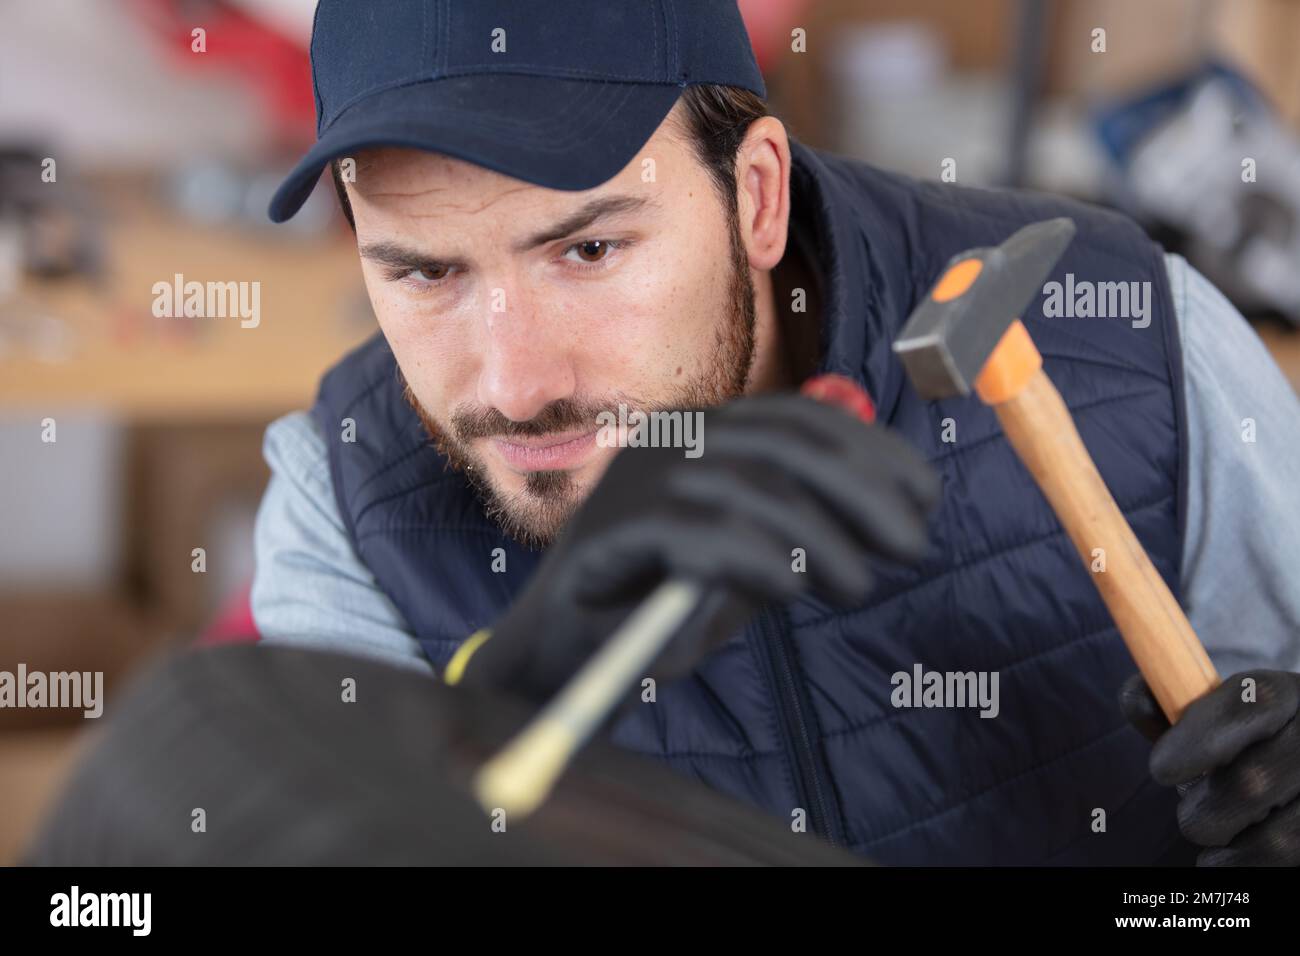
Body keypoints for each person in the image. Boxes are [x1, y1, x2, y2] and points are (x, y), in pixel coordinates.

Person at [254, 0, 1300, 865]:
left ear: (755, 193)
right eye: (425, 271)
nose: (518, 385)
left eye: (588, 251)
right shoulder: (345, 499)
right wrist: (509, 694)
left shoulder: (1128, 338)